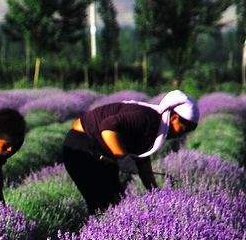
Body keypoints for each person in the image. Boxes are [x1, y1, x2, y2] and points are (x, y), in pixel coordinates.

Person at [62, 90, 199, 213]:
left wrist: (154, 192)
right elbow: (107, 128)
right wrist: (123, 157)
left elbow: (142, 160)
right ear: (174, 118)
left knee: (116, 201)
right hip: (82, 147)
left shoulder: (155, 126)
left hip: (99, 151)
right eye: (184, 128)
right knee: (102, 203)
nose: (182, 134)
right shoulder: (147, 119)